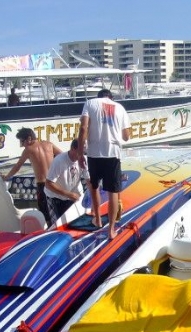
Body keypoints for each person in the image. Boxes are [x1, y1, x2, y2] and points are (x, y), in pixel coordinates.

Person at [78, 88, 131, 239]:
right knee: (113, 192)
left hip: (94, 153)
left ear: (98, 97)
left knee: (94, 186)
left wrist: (81, 153)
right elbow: (126, 136)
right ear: (111, 97)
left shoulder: (90, 103)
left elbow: (83, 129)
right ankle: (111, 230)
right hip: (113, 153)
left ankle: (98, 220)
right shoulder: (120, 108)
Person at [4, 127, 62, 225]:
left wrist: (6, 177)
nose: (22, 145)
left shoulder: (29, 150)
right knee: (58, 211)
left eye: (22, 142)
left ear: (29, 138)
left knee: (46, 214)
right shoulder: (49, 144)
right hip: (56, 183)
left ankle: (49, 232)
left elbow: (17, 167)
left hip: (43, 186)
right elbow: (63, 156)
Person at [44, 139, 86, 224]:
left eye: (84, 153)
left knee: (73, 222)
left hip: (71, 195)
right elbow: (48, 184)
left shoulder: (83, 160)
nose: (82, 156)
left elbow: (88, 180)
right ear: (73, 149)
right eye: (80, 153)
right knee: (59, 224)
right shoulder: (59, 161)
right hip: (55, 197)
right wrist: (69, 194)